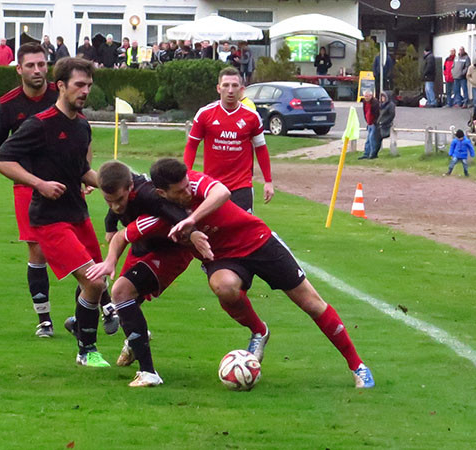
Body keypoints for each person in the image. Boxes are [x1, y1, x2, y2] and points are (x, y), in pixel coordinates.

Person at [148, 158, 375, 389]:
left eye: (187, 185)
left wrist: (191, 220)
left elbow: (223, 192)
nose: (187, 191)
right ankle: (259, 331)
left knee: (311, 303)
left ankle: (358, 366)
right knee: (223, 287)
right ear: (161, 193)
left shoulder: (195, 183)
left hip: (258, 241)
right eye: (180, 190)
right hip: (222, 257)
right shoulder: (155, 207)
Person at [0, 44, 117, 338]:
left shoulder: (63, 95)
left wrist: (86, 176)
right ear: (19, 69)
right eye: (31, 65)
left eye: (42, 64)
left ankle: (105, 309)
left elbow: (81, 139)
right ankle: (45, 320)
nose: (37, 70)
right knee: (37, 249)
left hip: (66, 187)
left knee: (90, 255)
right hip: (28, 185)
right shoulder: (10, 105)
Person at [84, 161, 200, 387]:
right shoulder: (118, 192)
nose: (116, 206)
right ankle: (136, 339)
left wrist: (193, 233)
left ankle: (149, 372)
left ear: (130, 187)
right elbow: (114, 210)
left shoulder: (148, 195)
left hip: (169, 251)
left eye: (120, 200)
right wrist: (110, 225)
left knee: (121, 291)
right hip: (142, 246)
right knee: (126, 301)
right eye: (110, 201)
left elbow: (176, 212)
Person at [184, 66, 273, 213]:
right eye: (226, 85)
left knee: (243, 231)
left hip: (241, 185)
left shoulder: (252, 116)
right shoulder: (205, 114)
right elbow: (192, 145)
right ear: (219, 88)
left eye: (234, 85)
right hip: (212, 185)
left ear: (241, 89)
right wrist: (186, 176)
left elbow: (261, 148)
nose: (230, 90)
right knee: (213, 231)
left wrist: (268, 181)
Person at [372, 91, 396, 158]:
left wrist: (384, 122)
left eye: (383, 97)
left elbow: (391, 115)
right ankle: (374, 153)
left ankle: (374, 153)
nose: (382, 98)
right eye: (381, 97)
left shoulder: (391, 105)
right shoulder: (381, 105)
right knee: (375, 139)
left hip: (385, 125)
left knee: (378, 139)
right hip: (379, 124)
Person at [359, 90, 380, 160]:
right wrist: (367, 121)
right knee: (368, 139)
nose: (366, 97)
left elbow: (377, 114)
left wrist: (375, 122)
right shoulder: (365, 102)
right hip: (369, 123)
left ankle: (373, 154)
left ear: (371, 96)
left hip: (374, 123)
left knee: (372, 138)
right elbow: (365, 112)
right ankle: (366, 153)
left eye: (367, 96)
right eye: (365, 96)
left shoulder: (375, 103)